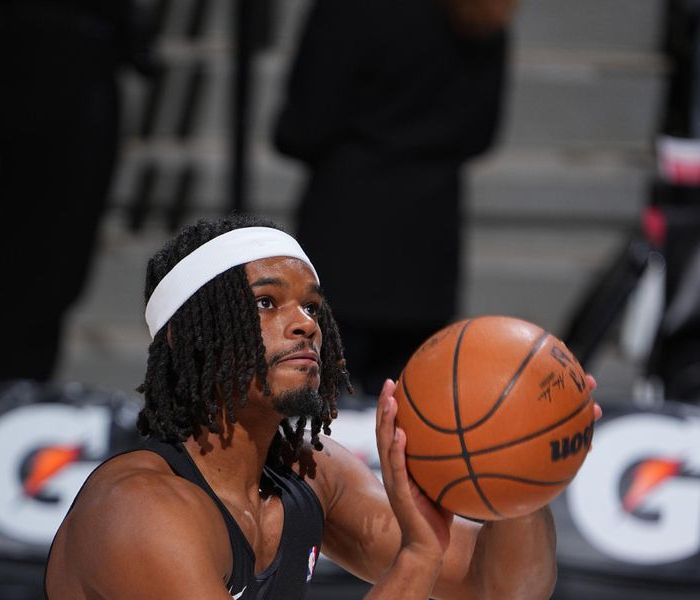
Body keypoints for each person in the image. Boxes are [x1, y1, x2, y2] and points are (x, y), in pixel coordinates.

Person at [45, 214, 581, 599]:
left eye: (312, 306)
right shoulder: (138, 510)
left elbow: (502, 587)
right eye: (266, 302)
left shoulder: (311, 474)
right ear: (188, 338)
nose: (306, 323)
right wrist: (418, 557)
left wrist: (525, 468)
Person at [273, 0, 516, 395]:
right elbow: (481, 134)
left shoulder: (351, 10)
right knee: (409, 421)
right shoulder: (482, 10)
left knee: (318, 423)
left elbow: (302, 127)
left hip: (345, 236)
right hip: (427, 250)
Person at [0, 0, 154, 387]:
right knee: (34, 261)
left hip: (71, 49)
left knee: (52, 266)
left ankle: (4, 398)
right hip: (51, 48)